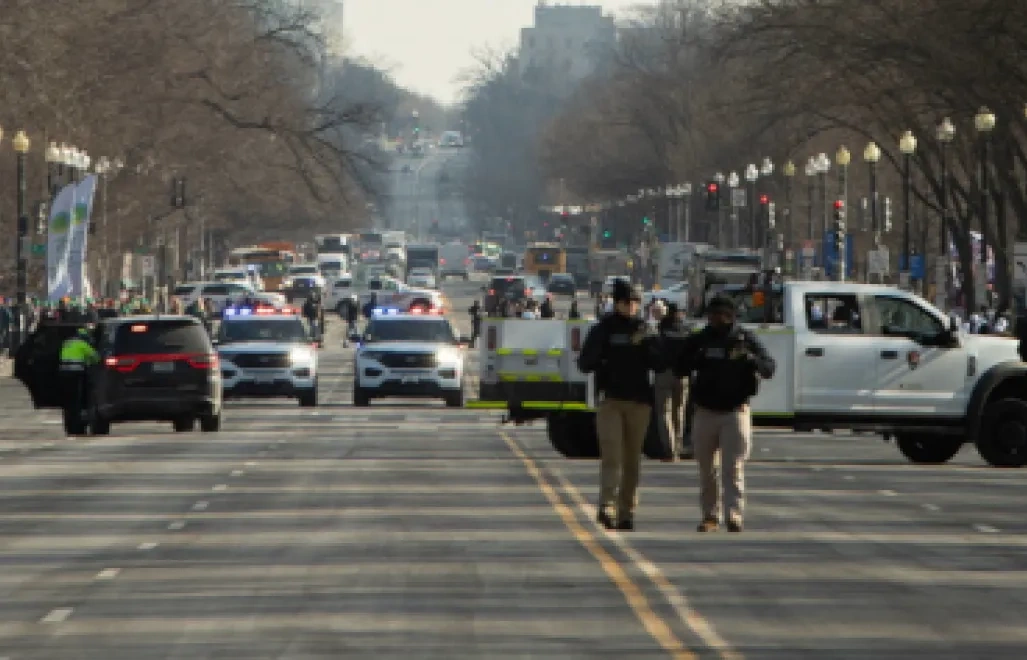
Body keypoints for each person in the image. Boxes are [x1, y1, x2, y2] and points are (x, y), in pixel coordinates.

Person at [676, 296, 775, 533]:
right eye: (712, 315)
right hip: (706, 411)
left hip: (735, 411)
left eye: (721, 314)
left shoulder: (744, 338)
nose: (716, 319)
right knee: (707, 469)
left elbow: (769, 367)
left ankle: (734, 514)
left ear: (731, 315)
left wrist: (750, 359)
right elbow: (678, 366)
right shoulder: (701, 339)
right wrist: (696, 358)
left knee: (733, 467)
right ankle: (710, 516)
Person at [577, 280, 665, 531]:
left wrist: (649, 341)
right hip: (611, 400)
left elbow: (660, 364)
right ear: (617, 303)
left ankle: (627, 511)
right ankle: (607, 507)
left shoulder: (645, 329)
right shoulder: (603, 329)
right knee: (612, 455)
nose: (631, 306)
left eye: (636, 302)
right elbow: (585, 363)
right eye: (627, 302)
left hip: (639, 401)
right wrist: (604, 354)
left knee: (632, 460)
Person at [653, 301, 688, 462]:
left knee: (663, 413)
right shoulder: (685, 330)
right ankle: (678, 448)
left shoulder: (661, 328)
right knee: (679, 411)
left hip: (663, 373)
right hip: (682, 376)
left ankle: (669, 448)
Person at [59, 326, 99, 434]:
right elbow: (95, 357)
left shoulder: (66, 343)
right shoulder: (83, 344)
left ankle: (70, 419)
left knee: (69, 398)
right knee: (80, 395)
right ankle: (81, 413)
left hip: (64, 374)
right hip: (77, 374)